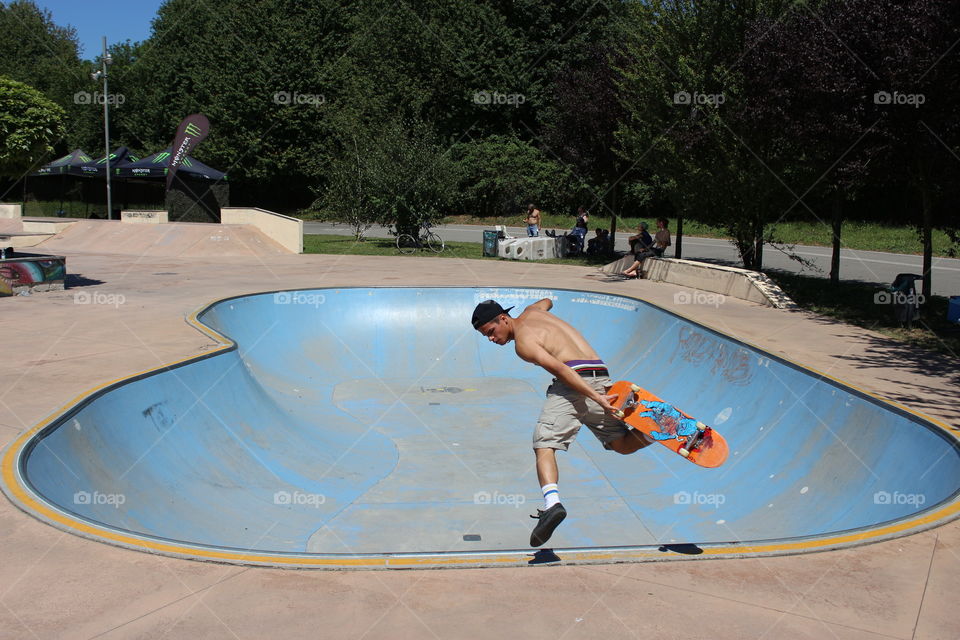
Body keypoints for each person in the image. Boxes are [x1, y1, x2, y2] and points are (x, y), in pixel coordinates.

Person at [472, 299, 653, 547]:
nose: (491, 339)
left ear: (503, 319)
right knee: (620, 444)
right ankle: (654, 432)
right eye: (486, 337)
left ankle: (552, 505)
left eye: (491, 332)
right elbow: (548, 301)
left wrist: (596, 398)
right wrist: (599, 393)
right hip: (602, 377)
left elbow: (562, 370)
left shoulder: (523, 344)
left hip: (576, 385)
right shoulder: (534, 311)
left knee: (544, 443)